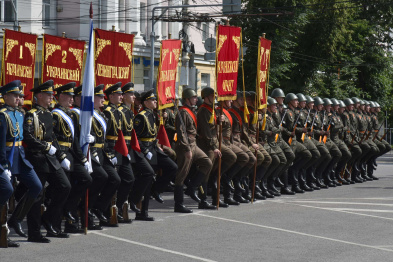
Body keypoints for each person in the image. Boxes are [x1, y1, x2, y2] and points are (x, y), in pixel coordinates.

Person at [24, 80, 71, 243]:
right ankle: (34, 233)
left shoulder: (50, 114)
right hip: (37, 157)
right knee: (37, 195)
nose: (52, 97)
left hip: (51, 158)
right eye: (49, 94)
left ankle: (48, 219)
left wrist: (61, 156)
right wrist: (46, 147)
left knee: (65, 186)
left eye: (52, 94)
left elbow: (53, 138)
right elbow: (28, 137)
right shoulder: (32, 114)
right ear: (39, 95)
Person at [0, 80, 42, 247]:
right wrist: (3, 166)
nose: (19, 99)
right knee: (7, 190)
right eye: (15, 95)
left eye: (19, 96)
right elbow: (1, 143)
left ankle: (15, 219)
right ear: (5, 96)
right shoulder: (2, 115)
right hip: (6, 156)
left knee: (36, 186)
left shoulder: (20, 113)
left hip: (19, 156)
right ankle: (3, 230)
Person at [52, 82, 93, 234]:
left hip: (71, 155)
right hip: (60, 154)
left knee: (86, 179)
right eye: (69, 96)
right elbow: (53, 138)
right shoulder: (55, 114)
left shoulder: (69, 114)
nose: (71, 99)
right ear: (61, 96)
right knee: (63, 187)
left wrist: (83, 159)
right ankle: (58, 223)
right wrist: (61, 156)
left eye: (72, 96)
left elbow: (74, 140)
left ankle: (69, 208)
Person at [133, 89, 178, 220]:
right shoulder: (140, 117)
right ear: (146, 102)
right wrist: (145, 152)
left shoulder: (152, 115)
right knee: (148, 178)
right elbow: (135, 138)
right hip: (146, 150)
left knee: (172, 167)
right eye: (152, 100)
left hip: (154, 148)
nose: (155, 102)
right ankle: (142, 212)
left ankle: (156, 190)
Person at [173, 88, 213, 213]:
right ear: (187, 99)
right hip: (186, 145)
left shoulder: (191, 111)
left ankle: (191, 187)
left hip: (193, 143)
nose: (196, 99)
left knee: (207, 163)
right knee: (182, 174)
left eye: (196, 97)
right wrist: (186, 149)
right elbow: (181, 132)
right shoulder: (183, 112)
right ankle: (178, 204)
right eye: (194, 97)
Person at [197, 87, 236, 208]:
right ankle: (203, 201)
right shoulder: (203, 110)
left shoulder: (212, 110)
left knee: (231, 157)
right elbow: (206, 132)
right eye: (212, 96)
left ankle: (217, 176)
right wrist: (214, 147)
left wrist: (220, 121)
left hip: (216, 142)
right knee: (206, 173)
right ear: (206, 97)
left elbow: (216, 127)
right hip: (207, 145)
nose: (215, 98)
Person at [103, 82, 135, 224]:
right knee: (113, 181)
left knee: (129, 179)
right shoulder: (107, 112)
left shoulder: (118, 111)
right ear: (111, 96)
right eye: (119, 94)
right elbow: (103, 135)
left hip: (121, 149)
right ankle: (106, 211)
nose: (121, 97)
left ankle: (119, 208)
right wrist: (109, 153)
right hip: (111, 149)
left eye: (122, 94)